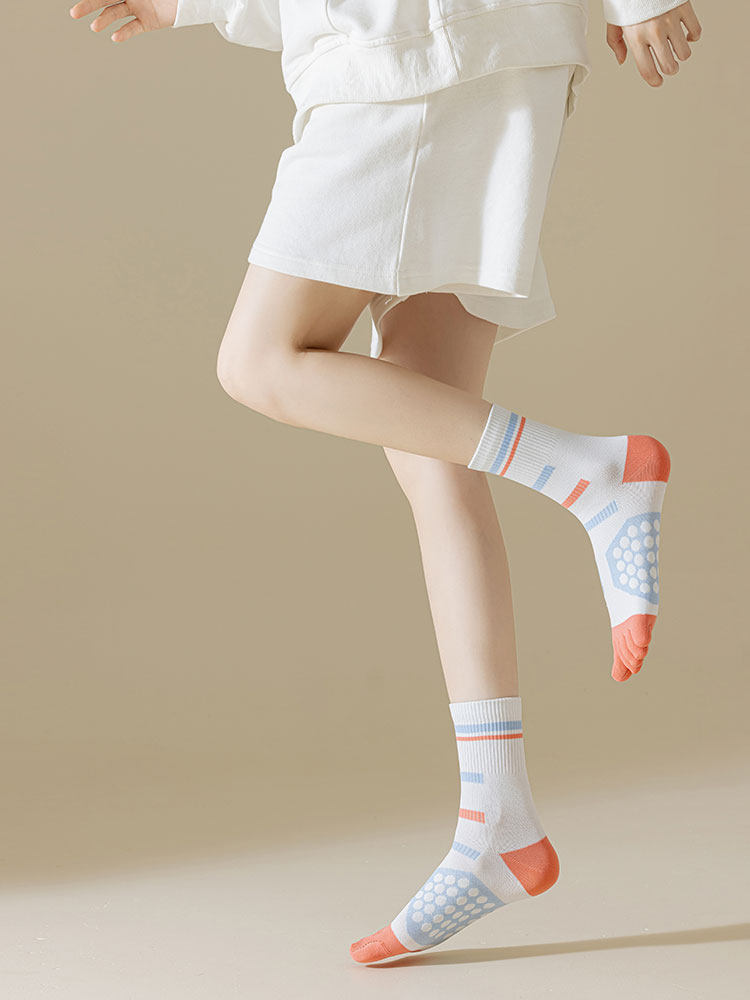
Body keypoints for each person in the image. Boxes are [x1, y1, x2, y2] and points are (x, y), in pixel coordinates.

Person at [69, 0, 702, 964]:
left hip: (418, 54)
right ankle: (499, 821)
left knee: (262, 360)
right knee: (430, 446)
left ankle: (590, 474)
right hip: (440, 51)